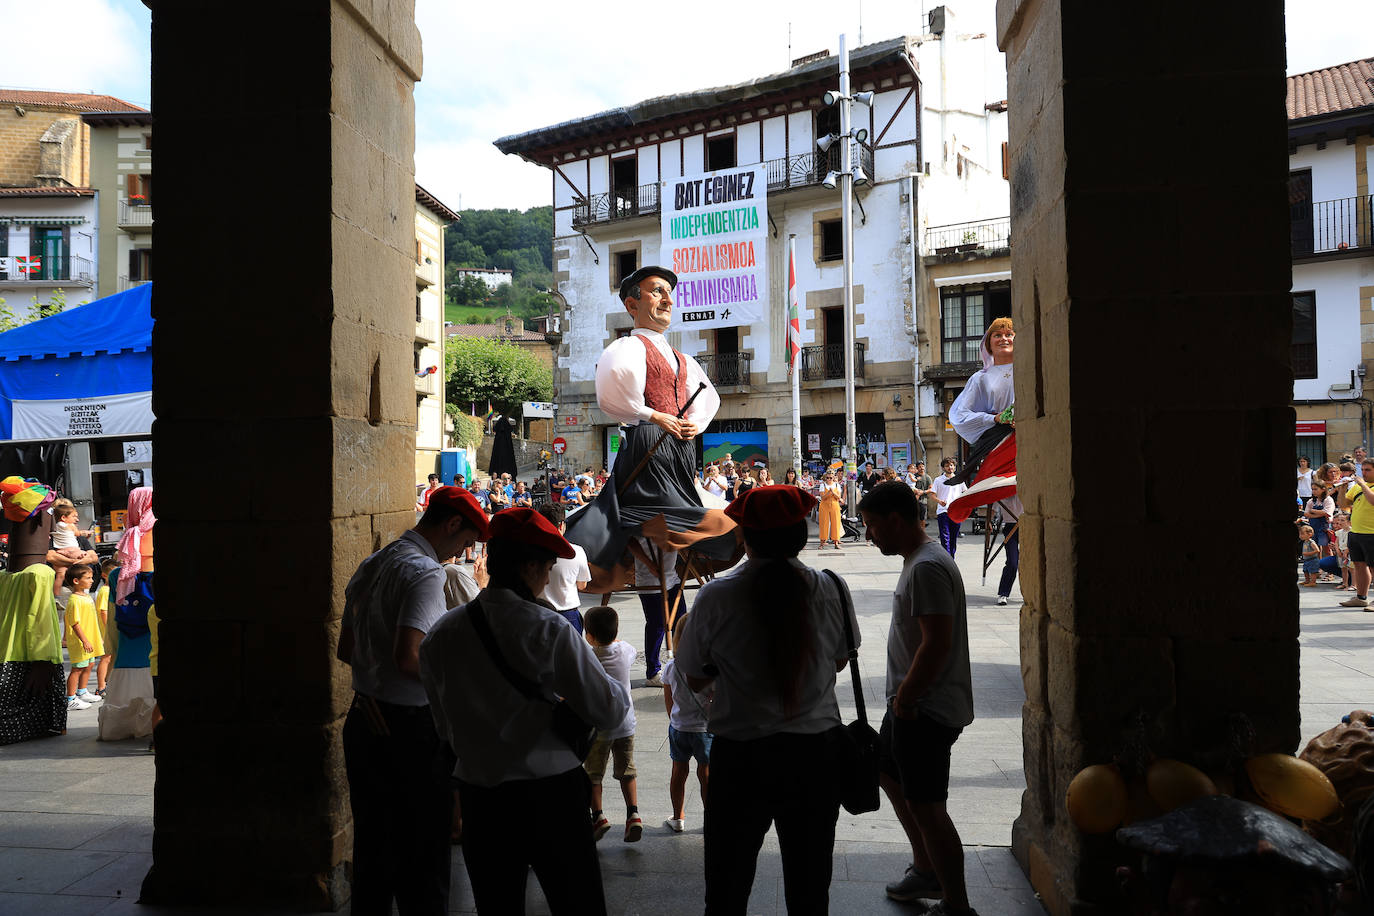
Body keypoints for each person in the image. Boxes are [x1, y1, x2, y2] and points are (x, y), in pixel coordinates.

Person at [418, 507, 631, 914]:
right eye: (548, 566)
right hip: (551, 794)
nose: (549, 576)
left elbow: (444, 727)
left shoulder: (441, 635)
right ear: (530, 565)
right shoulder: (549, 629)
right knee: (577, 902)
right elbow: (611, 712)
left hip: (482, 798)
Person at [675, 485, 858, 914]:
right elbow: (838, 663)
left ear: (745, 537)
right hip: (815, 753)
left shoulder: (717, 594)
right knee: (811, 884)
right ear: (801, 534)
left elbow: (694, 677)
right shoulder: (832, 586)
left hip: (742, 756)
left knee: (727, 883)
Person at [567, 265, 733, 688]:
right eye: (656, 292)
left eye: (669, 293)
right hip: (646, 450)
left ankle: (665, 651)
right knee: (656, 547)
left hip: (677, 454)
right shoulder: (625, 348)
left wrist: (693, 421)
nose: (667, 299)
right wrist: (652, 414)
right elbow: (614, 393)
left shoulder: (682, 358)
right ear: (632, 303)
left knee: (669, 555)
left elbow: (706, 395)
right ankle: (660, 654)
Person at [337, 486, 489, 916]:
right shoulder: (425, 573)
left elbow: (347, 649)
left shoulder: (375, 562)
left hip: (365, 719)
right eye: (466, 541)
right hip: (411, 728)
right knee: (423, 853)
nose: (463, 551)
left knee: (374, 847)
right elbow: (409, 658)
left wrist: (371, 688)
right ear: (452, 524)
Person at [858, 481, 978, 916]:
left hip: (923, 708)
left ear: (895, 520)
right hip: (909, 704)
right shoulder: (919, 561)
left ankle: (956, 904)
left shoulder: (927, 567)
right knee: (887, 770)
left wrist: (907, 699)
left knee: (928, 807)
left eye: (872, 526)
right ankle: (926, 868)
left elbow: (936, 644)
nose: (869, 535)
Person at [949, 317, 1020, 602]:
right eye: (997, 335)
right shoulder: (981, 378)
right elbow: (959, 415)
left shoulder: (1030, 365)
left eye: (1009, 333)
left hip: (1033, 436)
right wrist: (995, 417)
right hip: (1002, 443)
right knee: (1006, 491)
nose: (1004, 338)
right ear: (988, 343)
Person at [583, 605, 641, 843]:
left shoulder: (588, 657)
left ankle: (598, 816)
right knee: (627, 770)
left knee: (593, 774)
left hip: (599, 728)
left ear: (589, 636)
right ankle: (633, 815)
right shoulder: (625, 650)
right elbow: (630, 648)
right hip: (625, 724)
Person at [662, 612, 711, 833]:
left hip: (679, 727)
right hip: (705, 728)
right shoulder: (709, 668)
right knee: (706, 774)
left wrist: (677, 719)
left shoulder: (671, 667)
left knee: (678, 772)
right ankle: (710, 818)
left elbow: (669, 703)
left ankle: (678, 817)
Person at [538, 504, 591, 634]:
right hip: (568, 615)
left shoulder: (529, 551)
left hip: (538, 614)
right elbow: (582, 585)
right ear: (561, 525)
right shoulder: (577, 551)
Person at [63, 564, 103, 710]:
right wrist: (84, 640)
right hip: (81, 641)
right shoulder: (74, 600)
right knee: (77, 668)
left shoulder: (86, 596)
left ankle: (82, 691)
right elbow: (75, 623)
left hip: (90, 639)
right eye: (88, 578)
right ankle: (71, 698)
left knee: (89, 664)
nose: (92, 580)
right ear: (76, 581)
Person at [1338, 458, 1374, 609]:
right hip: (1356, 532)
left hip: (1372, 532)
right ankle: (1361, 597)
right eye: (1363, 470)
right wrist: (1342, 488)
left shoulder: (1363, 486)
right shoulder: (1358, 487)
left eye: (1368, 470)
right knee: (1359, 565)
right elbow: (1344, 504)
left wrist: (1363, 485)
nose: (1364, 473)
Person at [930, 458, 966, 558]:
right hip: (943, 511)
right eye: (947, 465)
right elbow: (932, 495)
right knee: (945, 537)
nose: (950, 467)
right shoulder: (938, 480)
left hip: (956, 512)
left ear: (954, 466)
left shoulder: (959, 479)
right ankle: (947, 560)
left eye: (951, 465)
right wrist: (939, 501)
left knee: (953, 538)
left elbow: (965, 493)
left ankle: (951, 558)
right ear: (943, 468)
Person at [818, 470, 844, 549]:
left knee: (836, 523)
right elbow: (822, 497)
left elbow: (839, 497)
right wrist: (829, 493)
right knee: (823, 523)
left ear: (833, 478)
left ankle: (836, 542)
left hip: (834, 505)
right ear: (825, 478)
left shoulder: (837, 485)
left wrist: (833, 493)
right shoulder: (822, 485)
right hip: (824, 506)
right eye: (828, 478)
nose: (829, 479)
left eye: (831, 478)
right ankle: (822, 542)